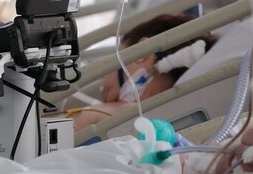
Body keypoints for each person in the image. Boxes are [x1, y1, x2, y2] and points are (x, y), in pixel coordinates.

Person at [71, 14, 218, 131]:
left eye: (120, 55)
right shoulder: (135, 114)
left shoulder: (123, 114)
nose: (105, 75)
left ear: (142, 53)